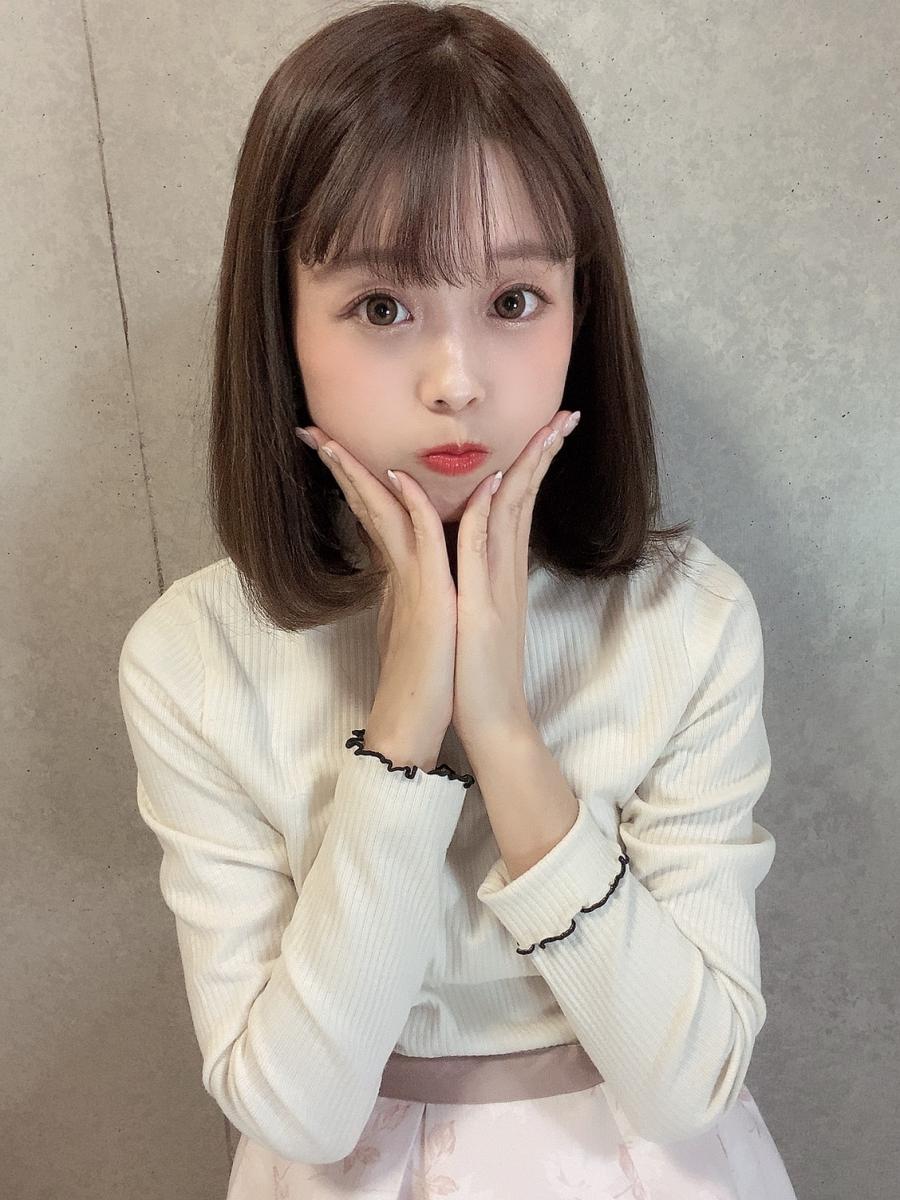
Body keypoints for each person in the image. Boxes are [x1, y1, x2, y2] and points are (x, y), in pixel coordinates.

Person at [117, 3, 800, 1196]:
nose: (456, 382)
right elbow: (298, 1113)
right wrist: (403, 726)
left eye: (515, 300)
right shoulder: (196, 655)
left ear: (581, 311)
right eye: (383, 307)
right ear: (282, 323)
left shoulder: (686, 619)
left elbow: (688, 1083)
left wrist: (502, 727)